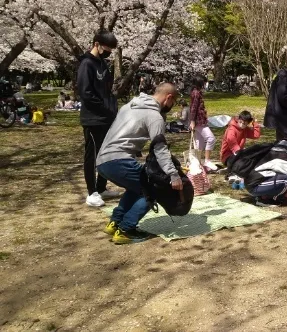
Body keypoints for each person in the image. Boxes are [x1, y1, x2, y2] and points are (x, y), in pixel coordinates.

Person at [95, 83, 180, 244]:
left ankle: (115, 222)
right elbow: (159, 149)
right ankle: (126, 229)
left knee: (137, 188)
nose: (171, 106)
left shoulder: (129, 106)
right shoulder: (154, 116)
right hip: (119, 160)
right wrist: (173, 174)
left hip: (102, 161)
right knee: (152, 190)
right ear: (169, 98)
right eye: (173, 102)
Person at [77, 30, 119, 207]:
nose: (108, 52)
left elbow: (107, 90)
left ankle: (102, 187)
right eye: (106, 48)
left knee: (106, 153)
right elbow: (86, 93)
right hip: (93, 118)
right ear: (96, 44)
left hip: (107, 118)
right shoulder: (86, 64)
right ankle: (92, 192)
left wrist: (112, 108)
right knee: (92, 155)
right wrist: (104, 109)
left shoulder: (102, 64)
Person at [189, 75, 216, 166]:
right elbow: (193, 107)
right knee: (211, 139)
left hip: (199, 120)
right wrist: (192, 120)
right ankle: (207, 160)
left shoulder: (196, 92)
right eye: (204, 82)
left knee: (199, 143)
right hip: (199, 121)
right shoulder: (196, 93)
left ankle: (197, 163)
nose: (205, 83)